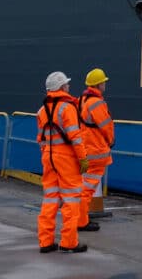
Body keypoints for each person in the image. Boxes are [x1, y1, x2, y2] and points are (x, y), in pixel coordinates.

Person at [36, 71, 88, 254]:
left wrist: (47, 155)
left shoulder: (42, 110)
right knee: (71, 200)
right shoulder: (68, 108)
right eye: (66, 84)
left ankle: (45, 242)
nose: (69, 86)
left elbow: (41, 139)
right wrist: (83, 158)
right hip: (66, 159)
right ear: (61, 87)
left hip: (48, 158)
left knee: (50, 199)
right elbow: (75, 137)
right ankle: (69, 242)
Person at [77, 67, 114, 233]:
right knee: (88, 189)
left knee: (83, 187)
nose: (105, 84)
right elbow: (106, 126)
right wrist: (111, 141)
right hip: (96, 151)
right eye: (103, 82)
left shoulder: (81, 100)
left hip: (85, 149)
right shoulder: (97, 103)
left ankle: (79, 218)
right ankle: (81, 221)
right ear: (99, 85)